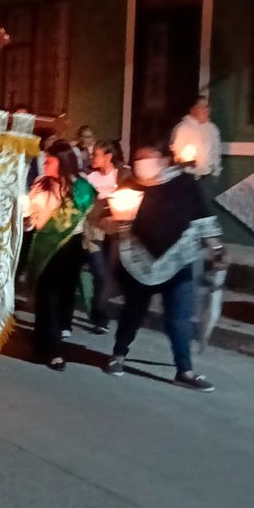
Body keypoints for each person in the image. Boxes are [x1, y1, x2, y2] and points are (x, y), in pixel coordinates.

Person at [106, 143, 224, 392]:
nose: (142, 163)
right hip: (139, 261)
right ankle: (118, 356)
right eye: (137, 158)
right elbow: (110, 217)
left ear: (164, 160)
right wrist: (115, 223)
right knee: (133, 312)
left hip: (178, 258)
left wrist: (216, 249)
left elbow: (202, 216)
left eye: (147, 157)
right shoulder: (130, 185)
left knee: (179, 318)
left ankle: (185, 370)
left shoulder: (184, 184)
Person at [26, 142, 96, 370]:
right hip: (46, 246)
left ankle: (50, 341)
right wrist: (27, 220)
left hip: (71, 247)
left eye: (49, 161)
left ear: (63, 162)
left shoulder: (82, 188)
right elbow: (32, 215)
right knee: (47, 298)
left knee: (62, 295)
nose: (45, 164)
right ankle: (51, 349)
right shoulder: (41, 184)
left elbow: (88, 219)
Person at [80, 140, 123, 334]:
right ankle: (100, 316)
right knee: (99, 271)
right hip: (94, 229)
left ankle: (99, 311)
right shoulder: (90, 178)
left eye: (96, 154)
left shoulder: (121, 175)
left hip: (115, 232)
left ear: (108, 156)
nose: (92, 158)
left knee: (108, 273)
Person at [170, 97, 222, 189]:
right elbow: (177, 155)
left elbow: (216, 151)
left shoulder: (212, 128)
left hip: (207, 176)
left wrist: (216, 171)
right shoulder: (183, 128)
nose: (206, 110)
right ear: (192, 109)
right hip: (189, 177)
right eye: (202, 106)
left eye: (207, 106)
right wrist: (187, 163)